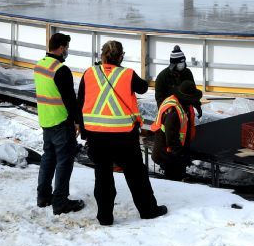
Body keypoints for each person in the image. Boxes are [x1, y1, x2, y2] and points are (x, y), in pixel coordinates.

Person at [77, 40, 167, 226]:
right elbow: (143, 87)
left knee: (102, 176)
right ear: (121, 57)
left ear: (101, 55)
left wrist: (84, 131)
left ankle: (105, 217)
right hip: (123, 137)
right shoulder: (127, 74)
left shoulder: (89, 73)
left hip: (97, 135)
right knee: (136, 175)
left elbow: (81, 102)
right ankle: (148, 210)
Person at [34, 33, 85, 215]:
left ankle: (43, 197)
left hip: (46, 120)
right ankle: (60, 201)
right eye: (67, 48)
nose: (67, 51)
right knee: (64, 162)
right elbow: (70, 100)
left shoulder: (40, 65)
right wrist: (77, 121)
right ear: (62, 48)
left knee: (48, 158)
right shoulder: (61, 70)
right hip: (62, 123)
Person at [150, 79, 202, 181]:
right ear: (186, 98)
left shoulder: (180, 102)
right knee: (173, 180)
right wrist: (182, 156)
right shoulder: (173, 112)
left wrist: (197, 103)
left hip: (173, 150)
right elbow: (171, 139)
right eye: (192, 99)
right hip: (167, 153)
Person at [154, 45, 200, 117]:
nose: (181, 65)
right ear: (173, 64)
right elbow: (159, 97)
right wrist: (163, 112)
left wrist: (197, 105)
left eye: (183, 63)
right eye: (179, 64)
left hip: (185, 112)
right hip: (170, 113)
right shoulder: (163, 76)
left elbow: (192, 92)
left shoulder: (187, 73)